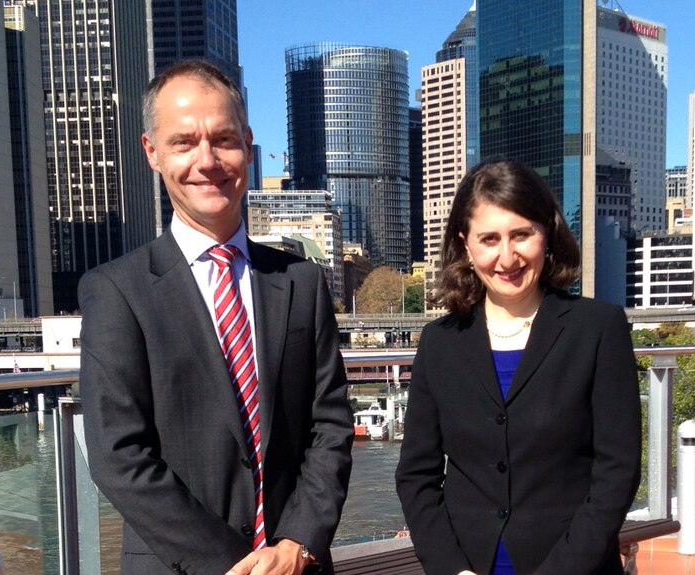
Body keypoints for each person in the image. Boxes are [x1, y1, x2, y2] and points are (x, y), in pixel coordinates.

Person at [78, 60, 354, 575]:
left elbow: (331, 426)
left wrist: (298, 541)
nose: (207, 160)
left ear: (248, 146)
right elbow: (119, 456)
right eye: (184, 142)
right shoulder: (116, 292)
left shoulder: (301, 282)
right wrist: (237, 566)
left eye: (223, 139)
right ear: (152, 152)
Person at [395, 159, 642, 575]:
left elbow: (616, 473)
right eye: (489, 239)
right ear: (466, 244)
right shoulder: (439, 342)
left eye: (521, 234)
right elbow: (416, 476)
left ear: (547, 232)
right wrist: (451, 569)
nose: (506, 257)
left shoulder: (598, 328)